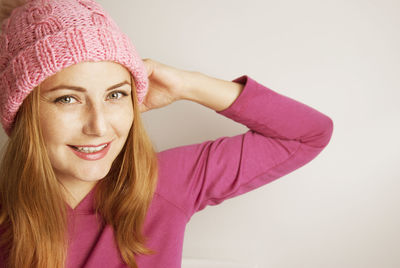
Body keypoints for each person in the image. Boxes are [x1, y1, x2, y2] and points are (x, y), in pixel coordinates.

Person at [0, 0, 334, 267]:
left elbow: (306, 135)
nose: (99, 126)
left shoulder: (167, 183)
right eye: (68, 99)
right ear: (22, 113)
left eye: (116, 94)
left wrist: (185, 84)